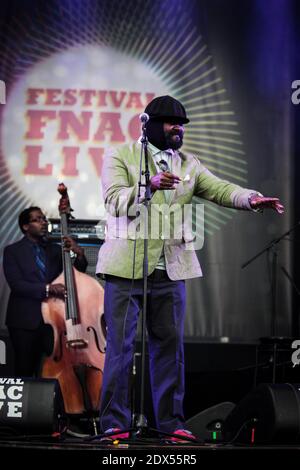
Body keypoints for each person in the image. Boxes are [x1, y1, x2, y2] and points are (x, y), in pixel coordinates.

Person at [96, 95, 284, 442]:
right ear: (150, 125)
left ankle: (169, 423)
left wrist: (251, 198)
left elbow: (220, 189)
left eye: (181, 124)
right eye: (171, 123)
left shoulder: (188, 164)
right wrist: (147, 186)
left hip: (171, 269)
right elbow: (113, 200)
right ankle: (113, 424)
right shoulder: (120, 155)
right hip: (125, 268)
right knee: (120, 350)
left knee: (170, 350)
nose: (178, 129)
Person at [3, 206, 88, 377]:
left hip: (52, 321)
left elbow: (73, 276)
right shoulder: (13, 251)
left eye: (44, 219)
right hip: (24, 322)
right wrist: (48, 288)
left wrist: (79, 255)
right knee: (24, 369)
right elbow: (17, 284)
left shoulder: (56, 249)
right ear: (26, 226)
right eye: (37, 219)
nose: (43, 222)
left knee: (55, 370)